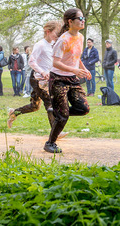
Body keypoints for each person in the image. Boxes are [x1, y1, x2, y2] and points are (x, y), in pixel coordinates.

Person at [7, 21, 67, 146]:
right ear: (48, 32)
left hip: (46, 80)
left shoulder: (52, 45)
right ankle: (55, 131)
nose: (58, 35)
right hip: (37, 80)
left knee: (35, 106)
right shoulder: (40, 45)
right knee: (50, 103)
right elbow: (32, 62)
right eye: (56, 32)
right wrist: (42, 72)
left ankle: (14, 113)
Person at [46, 8, 91, 153]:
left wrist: (84, 69)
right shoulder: (63, 40)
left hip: (72, 78)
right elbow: (55, 63)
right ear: (70, 21)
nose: (83, 21)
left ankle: (56, 111)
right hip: (58, 79)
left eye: (83, 18)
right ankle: (50, 143)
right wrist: (74, 70)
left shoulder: (81, 37)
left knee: (83, 108)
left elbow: (76, 58)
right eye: (80, 18)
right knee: (64, 116)